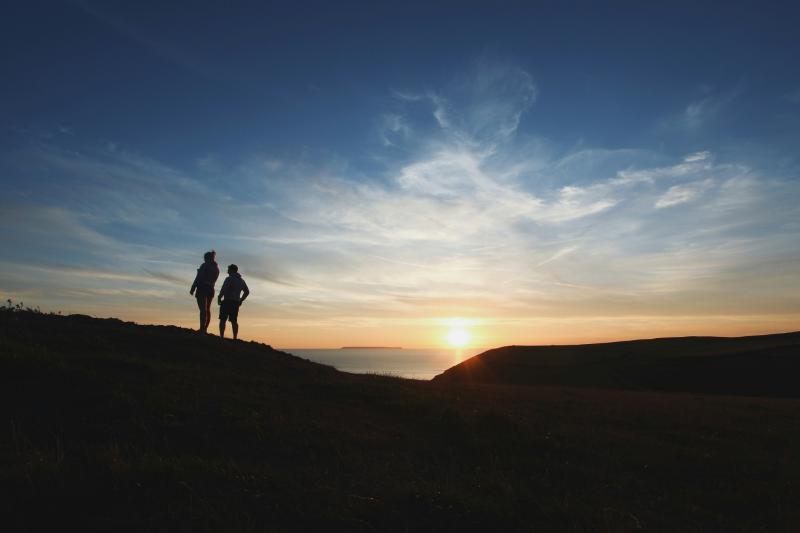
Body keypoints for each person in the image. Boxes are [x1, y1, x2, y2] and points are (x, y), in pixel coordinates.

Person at [189, 250, 220, 334]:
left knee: (203, 309)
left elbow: (199, 277)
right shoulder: (216, 268)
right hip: (211, 289)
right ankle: (205, 328)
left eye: (204, 258)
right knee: (208, 310)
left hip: (203, 288)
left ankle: (202, 328)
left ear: (207, 258)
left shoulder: (205, 265)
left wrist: (193, 287)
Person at [218, 264, 250, 340]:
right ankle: (235, 337)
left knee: (223, 319)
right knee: (234, 321)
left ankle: (221, 336)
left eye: (228, 269)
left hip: (227, 301)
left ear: (231, 270)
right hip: (235, 302)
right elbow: (247, 292)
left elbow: (224, 289)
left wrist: (219, 297)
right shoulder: (241, 280)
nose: (227, 270)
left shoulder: (229, 279)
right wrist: (241, 300)